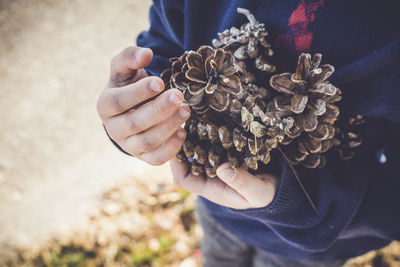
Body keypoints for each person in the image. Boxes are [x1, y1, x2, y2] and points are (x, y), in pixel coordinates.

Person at [96, 0, 400, 266]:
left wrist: (306, 207)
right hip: (219, 214)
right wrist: (138, 116)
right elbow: (165, 44)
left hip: (310, 248)